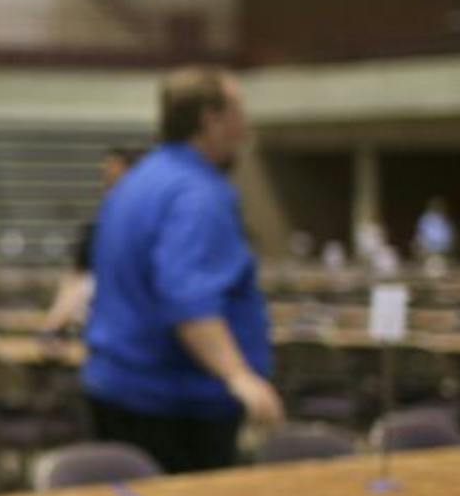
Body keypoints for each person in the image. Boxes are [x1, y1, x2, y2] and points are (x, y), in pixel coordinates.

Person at [81, 66, 282, 471]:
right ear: (211, 119)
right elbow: (190, 302)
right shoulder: (197, 194)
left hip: (118, 386)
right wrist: (240, 376)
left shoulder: (137, 182)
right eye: (239, 112)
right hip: (175, 404)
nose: (246, 127)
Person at [41, 146, 138, 334]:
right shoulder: (98, 229)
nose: (109, 182)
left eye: (116, 177)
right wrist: (54, 320)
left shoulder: (148, 230)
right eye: (106, 178)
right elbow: (76, 277)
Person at [415, 196, 456, 261]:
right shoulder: (425, 219)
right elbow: (421, 235)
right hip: (428, 249)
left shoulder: (445, 220)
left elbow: (449, 238)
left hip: (443, 250)